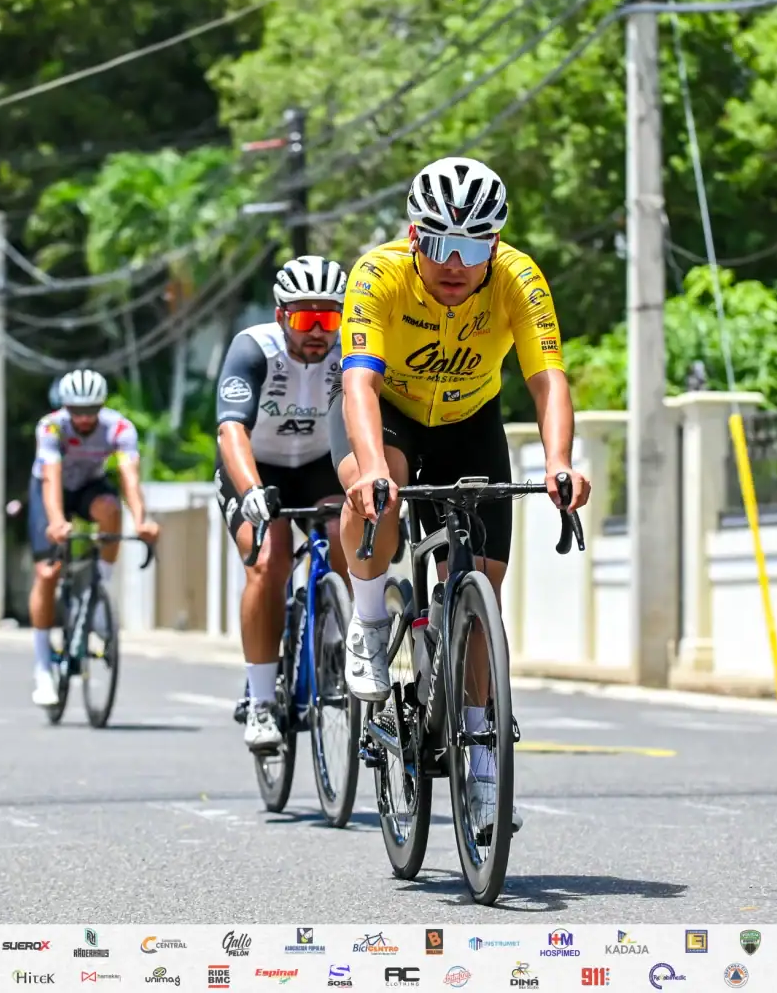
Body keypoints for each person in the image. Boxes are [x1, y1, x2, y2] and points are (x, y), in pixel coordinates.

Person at [328, 156, 592, 835]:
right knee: (376, 496)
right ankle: (367, 619)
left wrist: (559, 461)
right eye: (439, 244)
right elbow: (357, 381)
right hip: (385, 412)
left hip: (469, 421)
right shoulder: (376, 273)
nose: (454, 263)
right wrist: (365, 473)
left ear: (494, 246)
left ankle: (479, 755)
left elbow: (546, 379)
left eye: (472, 247)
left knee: (480, 586)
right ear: (413, 238)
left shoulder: (518, 278)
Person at [215, 254, 349, 753]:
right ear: (280, 317)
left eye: (329, 317)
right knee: (268, 560)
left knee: (344, 531)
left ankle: (334, 634)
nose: (318, 330)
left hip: (318, 464)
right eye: (304, 317)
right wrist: (249, 491)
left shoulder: (350, 350)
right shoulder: (253, 349)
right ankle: (261, 699)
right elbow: (231, 429)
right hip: (258, 465)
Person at [28, 369, 159, 706]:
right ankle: (43, 667)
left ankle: (99, 593)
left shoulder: (118, 427)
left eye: (92, 410)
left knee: (111, 509)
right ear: (65, 406)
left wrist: (142, 520)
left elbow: (130, 476)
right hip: (51, 490)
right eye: (77, 411)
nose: (85, 418)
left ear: (102, 406)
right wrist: (57, 522)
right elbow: (51, 478)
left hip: (88, 488)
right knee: (47, 571)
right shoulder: (51, 426)